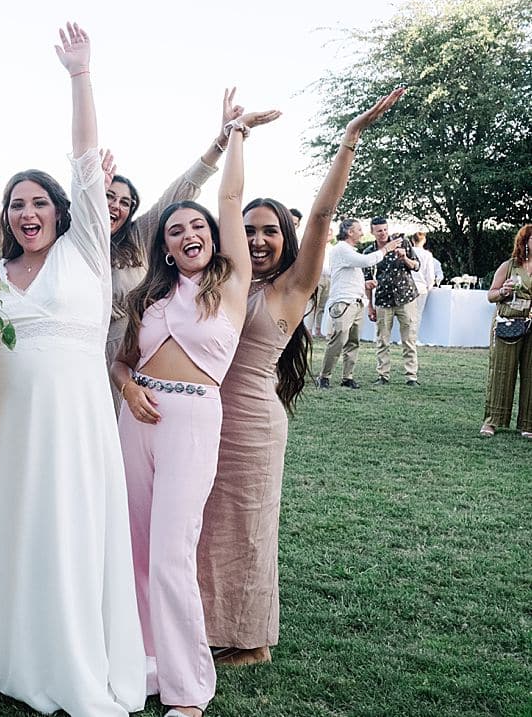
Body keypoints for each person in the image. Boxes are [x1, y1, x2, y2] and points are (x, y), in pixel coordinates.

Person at [0, 23, 146, 716]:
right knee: (3, 522)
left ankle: (66, 656)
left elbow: (88, 161)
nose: (26, 212)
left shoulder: (87, 251)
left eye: (38, 202)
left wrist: (80, 76)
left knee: (67, 525)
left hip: (73, 418)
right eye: (15, 205)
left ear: (63, 212)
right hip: (3, 419)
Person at [198, 88, 404, 667]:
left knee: (249, 525)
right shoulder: (230, 281)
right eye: (250, 231)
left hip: (254, 422)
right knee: (209, 522)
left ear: (284, 239)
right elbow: (230, 194)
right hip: (206, 416)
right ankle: (212, 625)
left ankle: (252, 640)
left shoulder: (292, 288)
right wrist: (234, 134)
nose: (258, 239)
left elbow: (319, 216)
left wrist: (350, 140)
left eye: (269, 231)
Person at [111, 99, 280, 717]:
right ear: (166, 244)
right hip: (137, 419)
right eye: (176, 230)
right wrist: (127, 387)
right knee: (132, 547)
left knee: (172, 552)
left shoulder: (231, 288)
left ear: (213, 239)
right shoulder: (151, 293)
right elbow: (123, 359)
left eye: (198, 228)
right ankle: (145, 667)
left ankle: (188, 690)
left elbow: (231, 201)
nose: (188, 235)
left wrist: (234, 136)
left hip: (192, 422)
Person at [102, 90, 240, 412]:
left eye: (125, 202)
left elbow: (182, 190)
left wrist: (220, 143)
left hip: (131, 352)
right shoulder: (70, 245)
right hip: (80, 357)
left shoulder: (137, 237)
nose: (116, 206)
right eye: (109, 196)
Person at [313, 219, 400, 388]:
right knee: (338, 340)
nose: (362, 232)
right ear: (349, 232)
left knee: (353, 342)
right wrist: (387, 249)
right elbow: (366, 261)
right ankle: (324, 376)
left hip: (356, 302)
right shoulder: (341, 249)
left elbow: (348, 275)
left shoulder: (350, 250)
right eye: (359, 229)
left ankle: (347, 377)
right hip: (343, 303)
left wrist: (365, 285)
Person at [480, 224, 532, 438]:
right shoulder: (509, 266)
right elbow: (490, 295)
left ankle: (528, 424)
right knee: (502, 372)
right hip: (508, 323)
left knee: (531, 374)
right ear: (525, 242)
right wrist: (503, 291)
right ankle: (493, 421)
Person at [363, 217, 422, 385]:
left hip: (406, 297)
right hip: (383, 299)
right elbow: (367, 282)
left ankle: (411, 376)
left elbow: (417, 266)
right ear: (372, 232)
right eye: (379, 231)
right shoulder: (369, 252)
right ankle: (383, 375)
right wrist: (370, 306)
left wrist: (404, 258)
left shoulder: (402, 243)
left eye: (385, 230)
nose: (383, 233)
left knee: (409, 339)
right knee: (382, 339)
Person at [409, 231, 437, 321]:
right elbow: (430, 274)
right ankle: (414, 335)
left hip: (407, 286)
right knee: (417, 316)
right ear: (424, 240)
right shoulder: (427, 255)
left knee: (406, 316)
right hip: (421, 287)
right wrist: (430, 286)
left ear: (412, 240)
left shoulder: (407, 253)